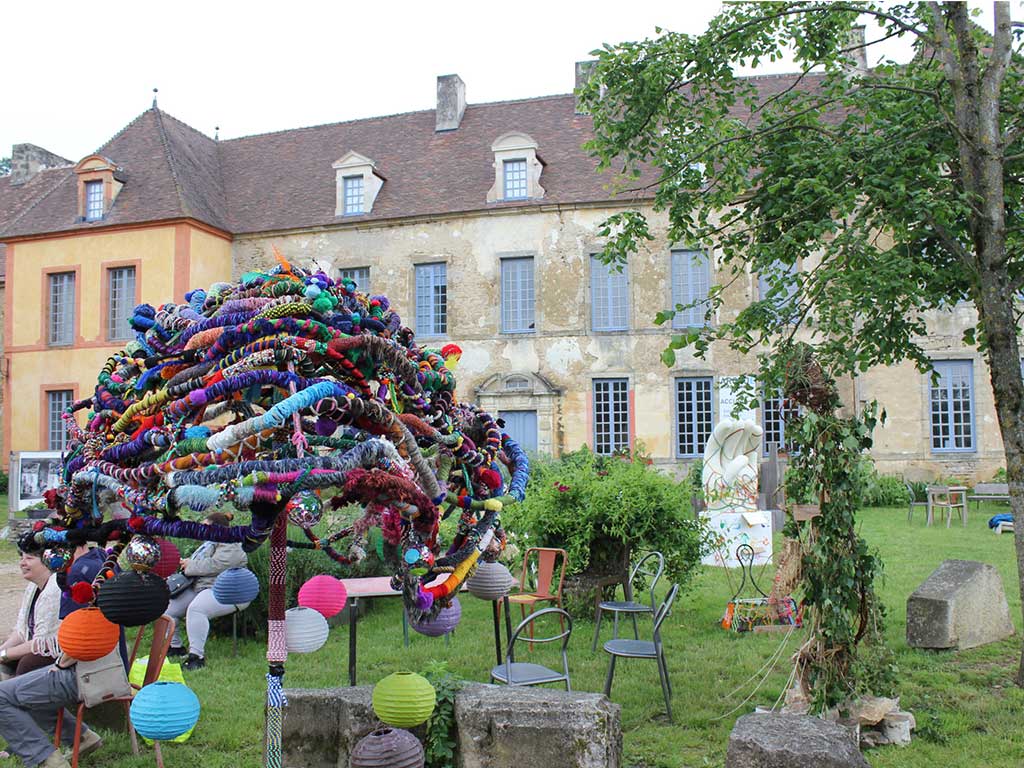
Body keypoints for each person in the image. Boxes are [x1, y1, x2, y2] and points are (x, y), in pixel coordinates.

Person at [164, 511, 249, 670]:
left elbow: (217, 565)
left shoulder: (231, 543)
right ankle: (175, 647)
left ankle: (196, 656)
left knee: (197, 609)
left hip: (227, 590)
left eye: (205, 526)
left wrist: (190, 566)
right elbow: (204, 564)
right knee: (168, 608)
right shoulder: (211, 542)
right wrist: (188, 563)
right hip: (202, 586)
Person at [1, 535, 62, 678]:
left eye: (29, 558)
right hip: (39, 645)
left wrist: (4, 655)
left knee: (27, 664)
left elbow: (44, 643)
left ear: (47, 561)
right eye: (21, 558)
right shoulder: (32, 588)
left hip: (59, 652)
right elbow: (21, 631)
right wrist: (2, 651)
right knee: (7, 654)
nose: (22, 563)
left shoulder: (54, 590)